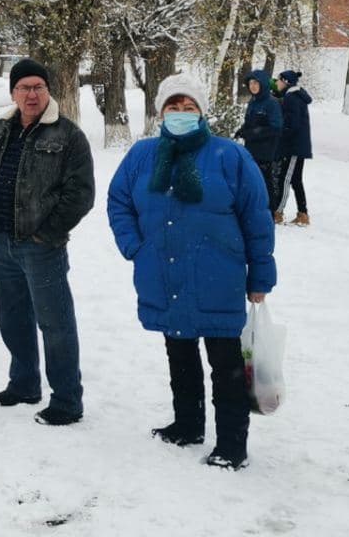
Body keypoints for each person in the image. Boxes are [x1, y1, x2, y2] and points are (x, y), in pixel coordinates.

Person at [107, 73, 276, 470]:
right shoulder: (142, 155)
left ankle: (232, 444)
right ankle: (187, 424)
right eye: (173, 107)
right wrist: (135, 246)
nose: (181, 115)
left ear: (201, 113)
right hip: (163, 273)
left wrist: (260, 277)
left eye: (189, 108)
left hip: (219, 275)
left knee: (226, 365)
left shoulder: (229, 155)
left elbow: (256, 217)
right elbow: (118, 203)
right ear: (161, 111)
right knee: (178, 352)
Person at [0, 58, 94, 425]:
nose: (31, 94)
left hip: (41, 246)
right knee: (11, 318)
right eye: (24, 87)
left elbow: (81, 194)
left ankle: (67, 401)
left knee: (55, 323)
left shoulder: (68, 135)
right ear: (13, 92)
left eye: (38, 87)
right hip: (2, 241)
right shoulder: (1, 128)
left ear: (48, 91)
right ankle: (24, 383)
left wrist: (49, 233)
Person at [234, 69, 283, 220]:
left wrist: (255, 133)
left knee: (264, 178)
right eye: (250, 83)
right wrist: (242, 130)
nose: (253, 86)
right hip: (251, 147)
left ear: (263, 84)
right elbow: (249, 123)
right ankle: (253, 207)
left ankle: (271, 211)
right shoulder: (253, 102)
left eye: (256, 83)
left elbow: (276, 127)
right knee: (250, 178)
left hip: (266, 149)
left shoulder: (271, 103)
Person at [275, 69, 312, 226]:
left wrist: (282, 134)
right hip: (297, 146)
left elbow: (292, 124)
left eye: (279, 80)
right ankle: (303, 214)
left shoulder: (292, 98)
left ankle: (277, 212)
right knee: (296, 180)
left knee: (285, 179)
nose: (276, 83)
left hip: (294, 147)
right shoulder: (293, 97)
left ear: (286, 82)